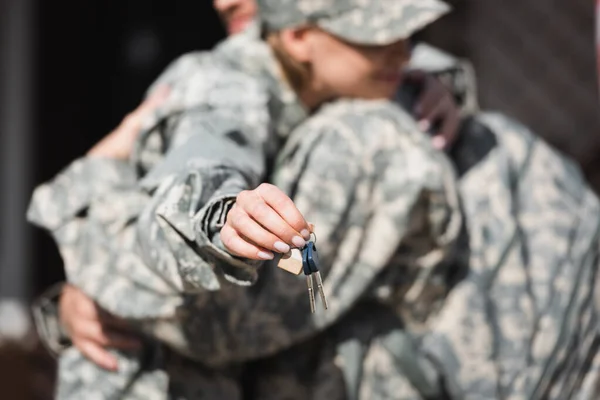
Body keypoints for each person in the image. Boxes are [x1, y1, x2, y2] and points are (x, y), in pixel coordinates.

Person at [29, 0, 458, 398]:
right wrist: (220, 218)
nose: (402, 54)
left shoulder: (363, 79)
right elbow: (204, 159)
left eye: (405, 37)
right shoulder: (226, 85)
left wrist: (444, 88)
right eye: (379, 37)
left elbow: (411, 65)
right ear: (298, 38)